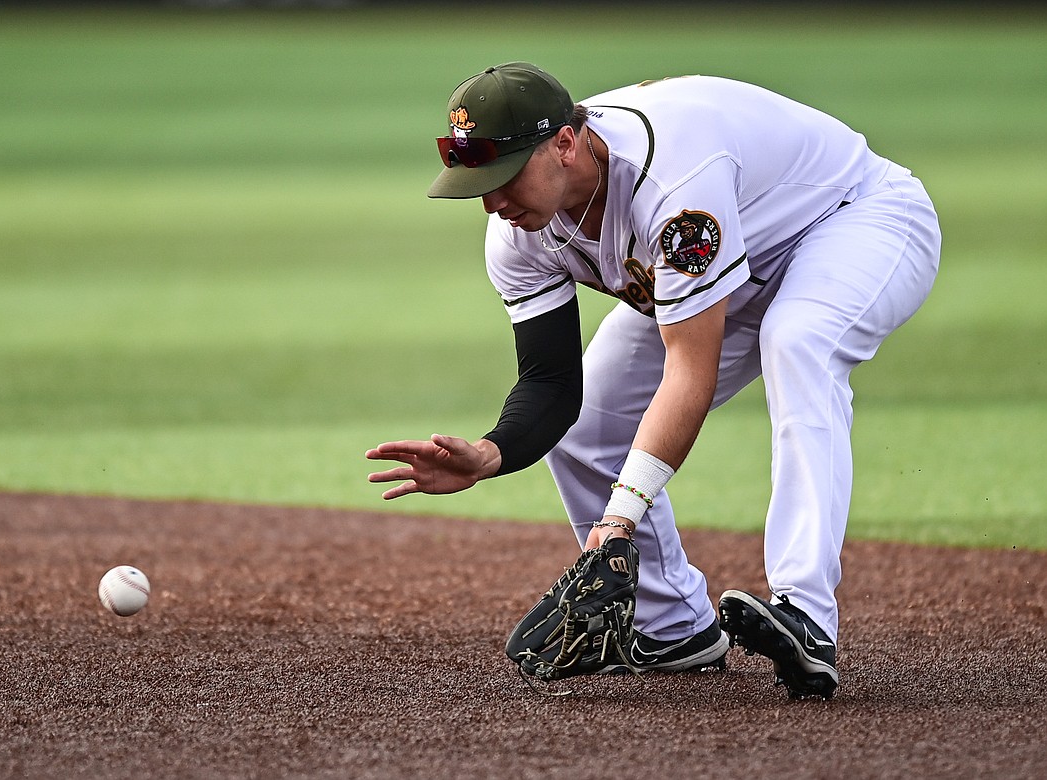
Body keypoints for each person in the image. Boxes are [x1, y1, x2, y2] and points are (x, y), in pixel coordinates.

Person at [366, 62, 940, 699]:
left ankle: (805, 612)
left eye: (504, 177)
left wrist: (617, 524)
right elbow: (553, 384)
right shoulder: (518, 233)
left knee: (798, 341)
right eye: (479, 184)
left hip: (856, 221)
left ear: (565, 142)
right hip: (734, 265)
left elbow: (688, 372)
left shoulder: (672, 181)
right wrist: (490, 452)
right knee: (587, 428)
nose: (494, 203)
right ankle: (673, 629)